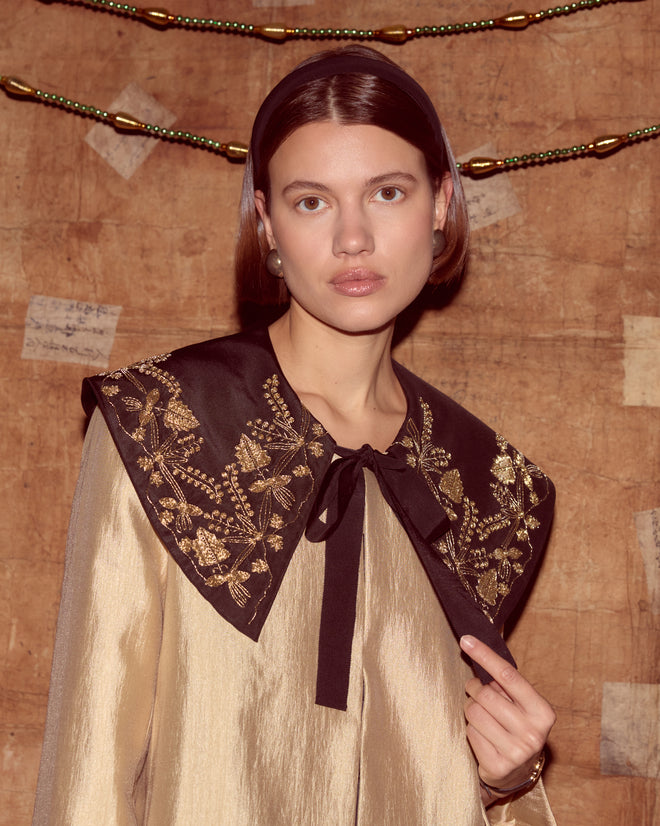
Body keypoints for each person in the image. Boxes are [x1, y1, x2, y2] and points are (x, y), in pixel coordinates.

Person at [33, 46, 557, 825]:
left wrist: (504, 781)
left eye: (387, 192)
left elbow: (424, 777)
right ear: (267, 223)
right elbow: (89, 767)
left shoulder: (486, 486)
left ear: (441, 203)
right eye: (312, 201)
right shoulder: (166, 422)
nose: (353, 238)